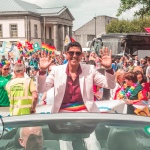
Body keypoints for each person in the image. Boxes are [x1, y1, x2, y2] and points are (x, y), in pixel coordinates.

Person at [37, 42, 115, 113]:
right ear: (66, 54)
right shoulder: (57, 71)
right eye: (71, 53)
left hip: (86, 115)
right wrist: (42, 70)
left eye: (78, 53)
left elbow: (110, 85)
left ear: (81, 55)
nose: (74, 56)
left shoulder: (90, 70)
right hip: (61, 115)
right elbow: (41, 89)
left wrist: (108, 68)